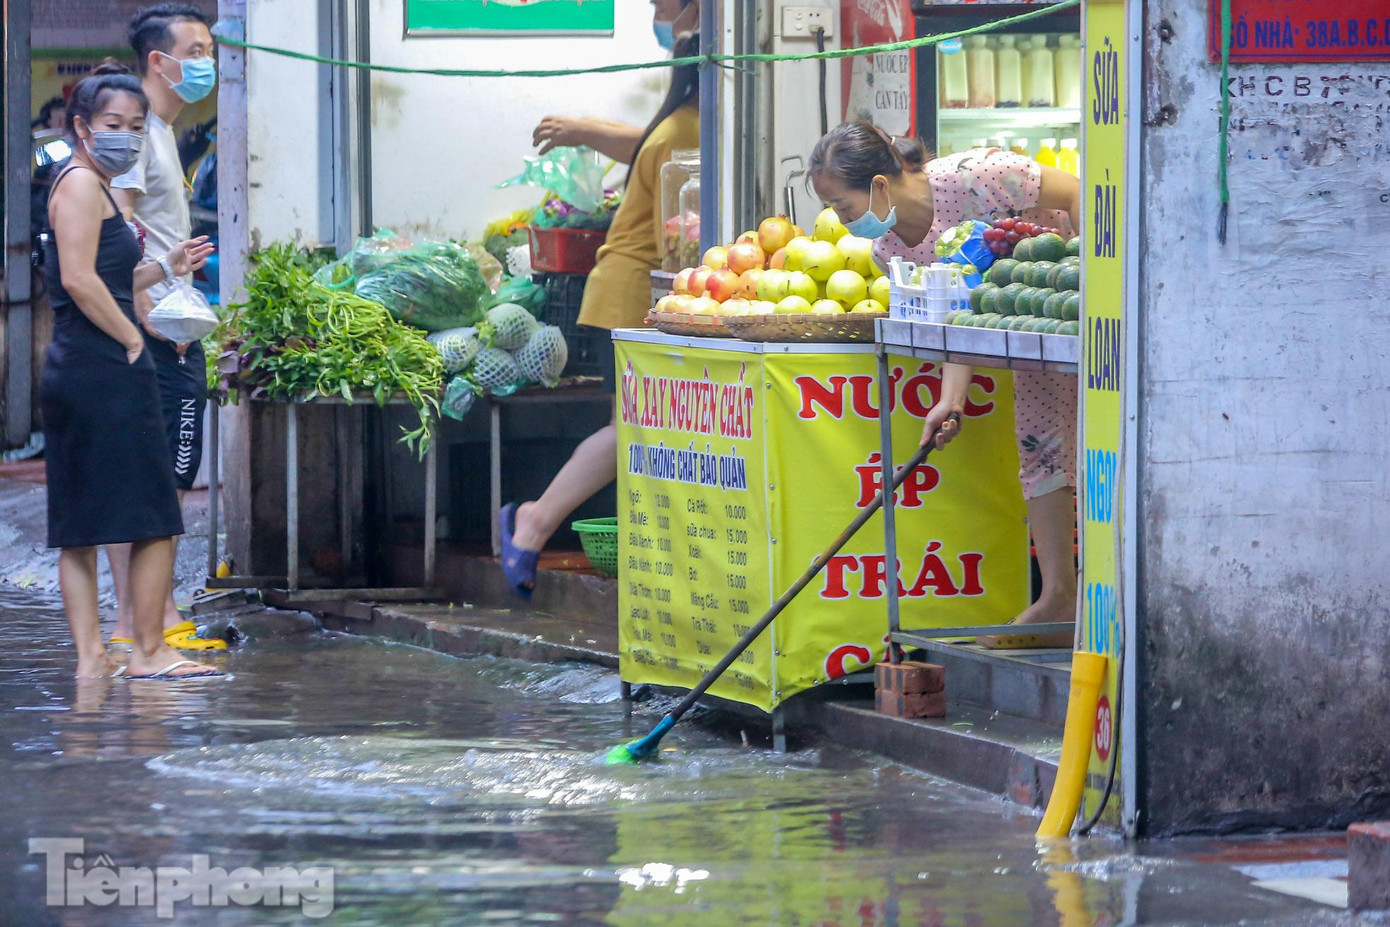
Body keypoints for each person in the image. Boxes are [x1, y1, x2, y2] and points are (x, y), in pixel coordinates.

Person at [809, 122, 1082, 648]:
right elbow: (957, 319)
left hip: (1072, 308)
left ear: (879, 186)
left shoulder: (977, 177)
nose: (845, 224)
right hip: (1019, 331)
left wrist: (1094, 275)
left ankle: (1109, 592)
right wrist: (949, 401)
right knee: (1041, 444)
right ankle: (1060, 598)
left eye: (843, 207)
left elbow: (1076, 191)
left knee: (1100, 442)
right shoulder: (890, 249)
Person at [501, 0, 700, 598]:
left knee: (641, 425)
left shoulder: (680, 120)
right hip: (638, 291)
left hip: (628, 289)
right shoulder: (692, 126)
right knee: (638, 427)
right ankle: (533, 521)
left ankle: (543, 523)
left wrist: (584, 128)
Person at [42, 64, 217, 679]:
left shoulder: (93, 184)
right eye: (114, 125)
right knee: (148, 513)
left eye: (137, 126)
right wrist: (131, 339)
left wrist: (164, 265)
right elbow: (78, 280)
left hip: (90, 367)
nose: (127, 136)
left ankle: (98, 658)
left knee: (90, 520)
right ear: (84, 127)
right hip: (102, 369)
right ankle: (145, 651)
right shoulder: (84, 185)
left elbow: (108, 277)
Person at [107, 4, 223, 651]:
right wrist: (150, 316)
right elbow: (122, 228)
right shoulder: (142, 133)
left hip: (161, 324)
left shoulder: (159, 135)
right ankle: (152, 621)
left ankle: (138, 621)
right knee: (165, 481)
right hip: (161, 334)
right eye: (197, 50)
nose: (207, 62)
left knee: (148, 478)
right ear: (160, 60)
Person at [530, 0, 694, 162]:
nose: (657, 19)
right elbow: (654, 136)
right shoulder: (683, 66)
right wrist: (589, 125)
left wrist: (583, 131)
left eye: (660, 8)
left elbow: (655, 148)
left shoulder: (701, 76)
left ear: (696, 7)